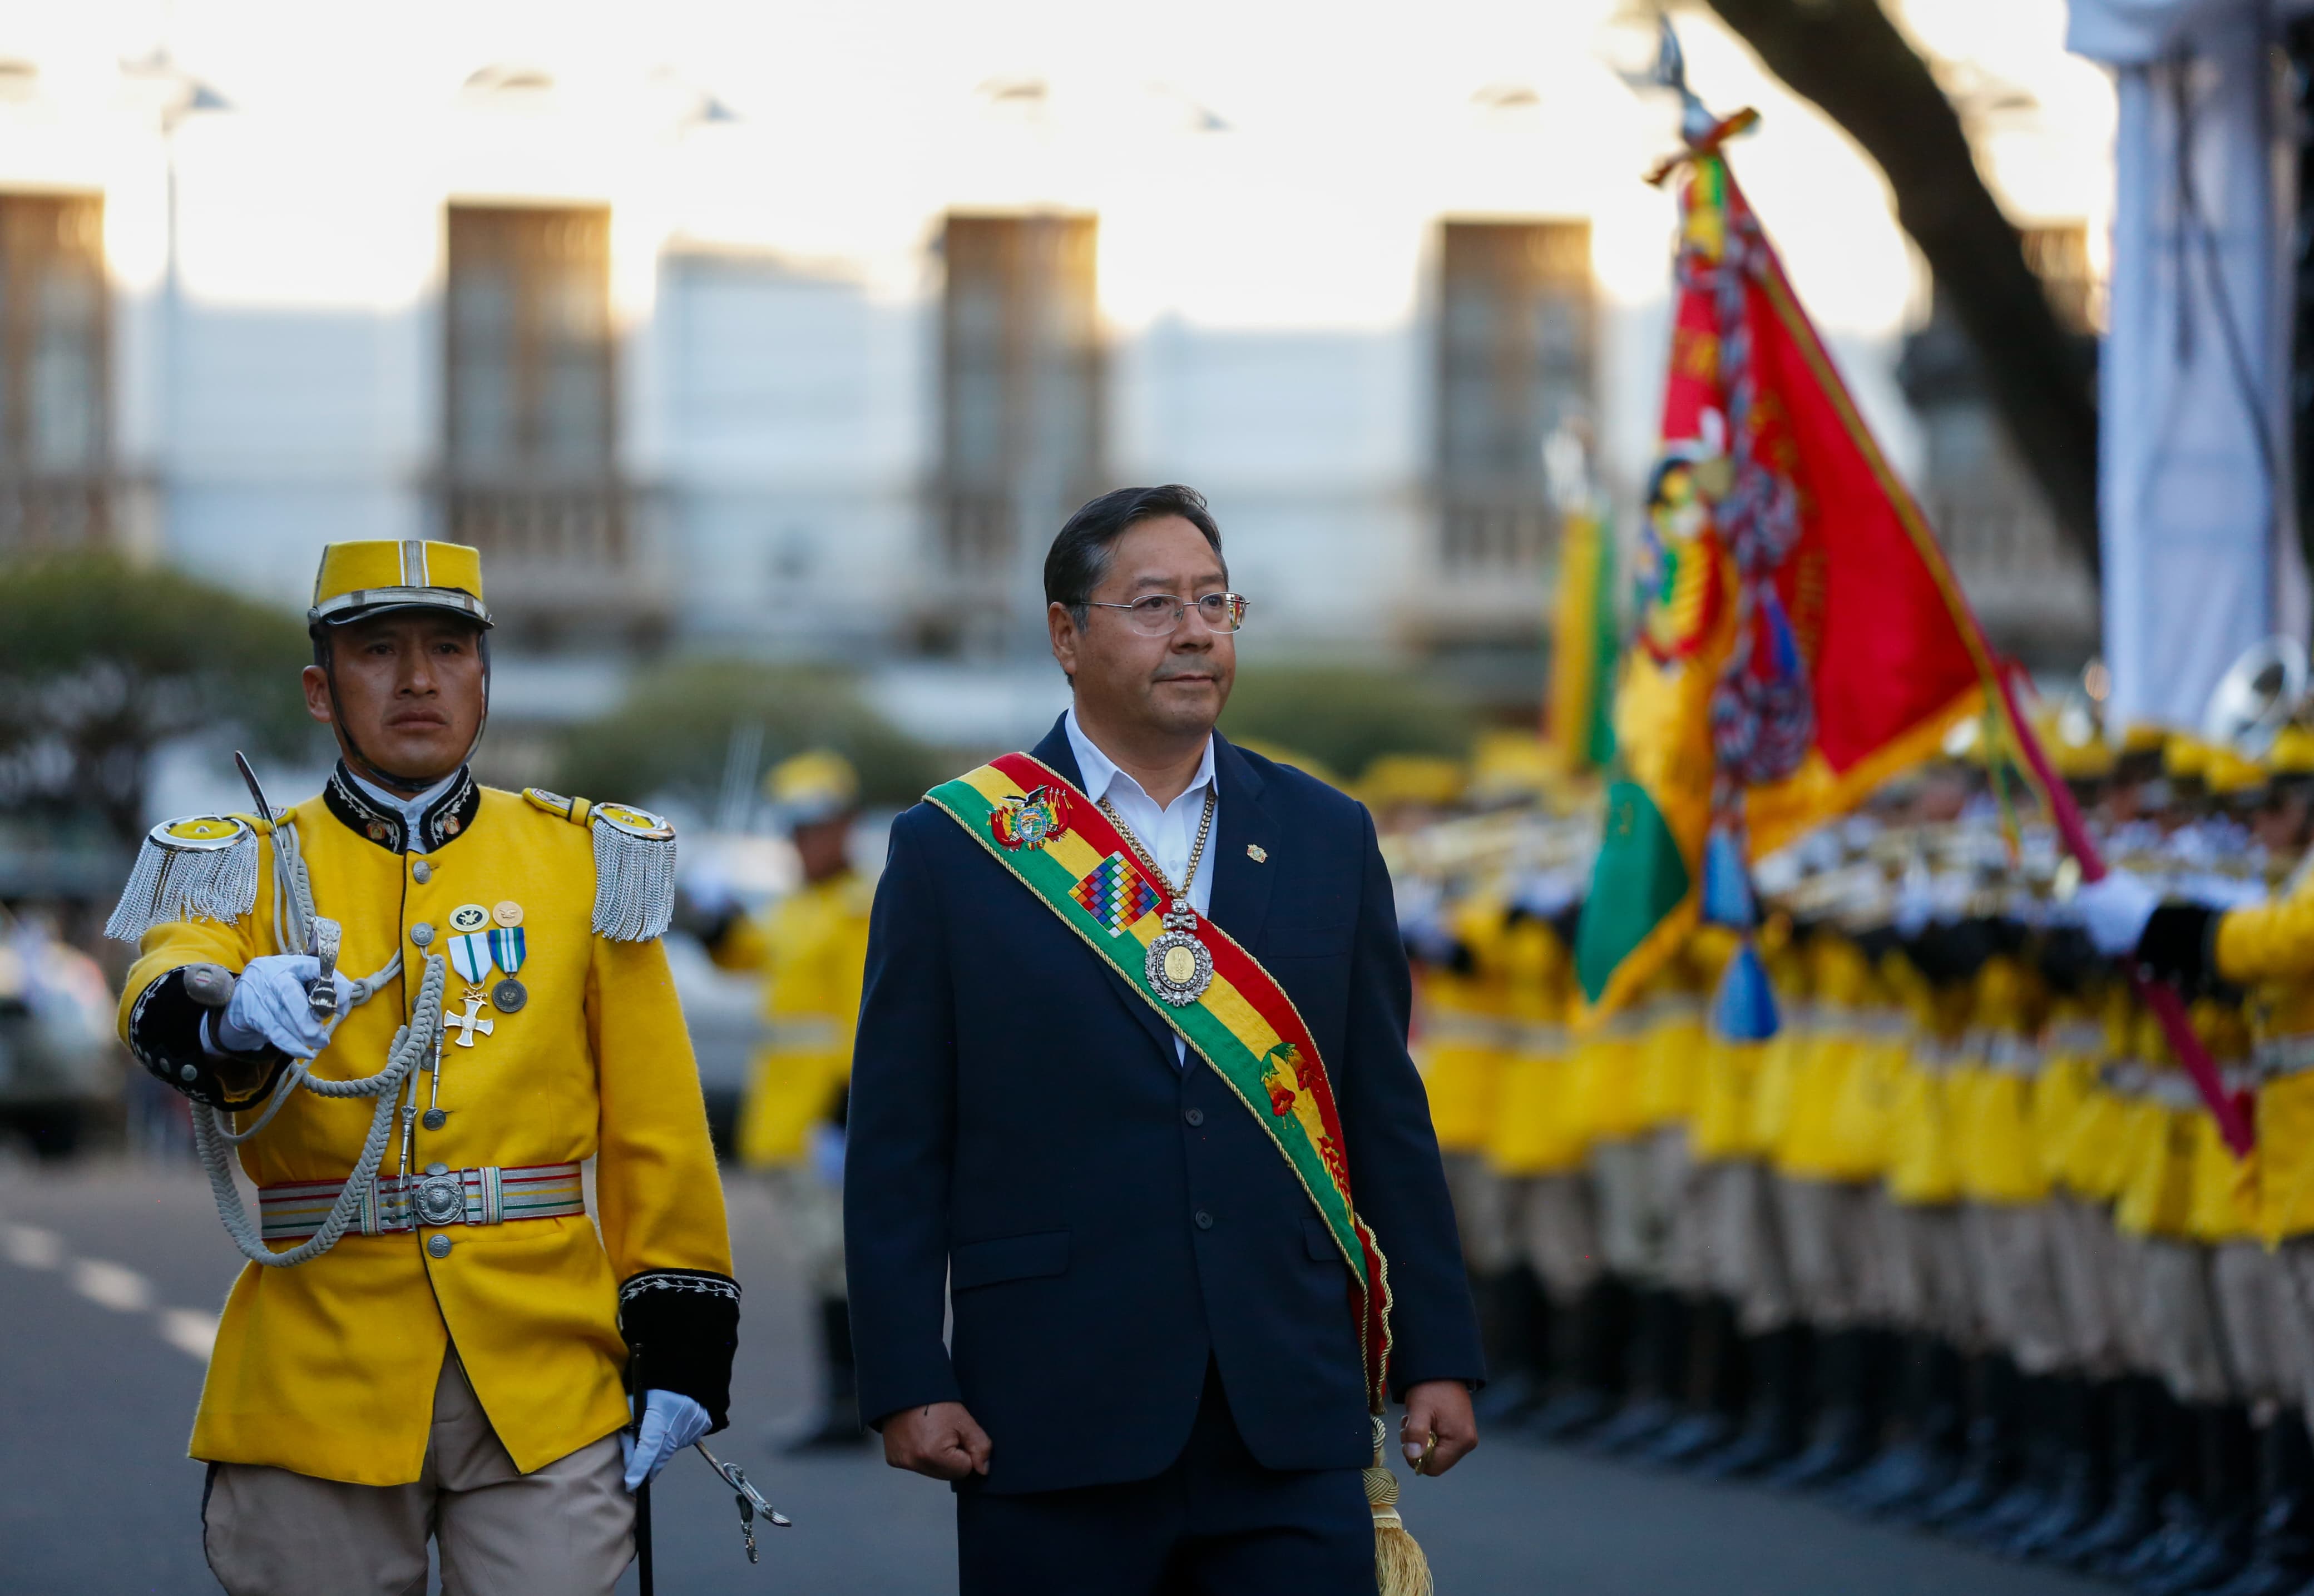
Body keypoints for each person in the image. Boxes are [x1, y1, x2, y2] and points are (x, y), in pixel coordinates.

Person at [844, 484, 1484, 1595]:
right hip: (1051, 1403)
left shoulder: (1323, 834)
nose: (1194, 631)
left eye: (1214, 602)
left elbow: (1381, 1112)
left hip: (1286, 1404)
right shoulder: (959, 846)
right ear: (1066, 634)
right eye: (1153, 604)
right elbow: (900, 1138)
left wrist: (1436, 1349)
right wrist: (906, 1374)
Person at [107, 540, 738, 1596]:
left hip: (544, 1369)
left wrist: (683, 1339)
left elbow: (657, 1123)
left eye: (448, 649)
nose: (417, 680)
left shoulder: (584, 859)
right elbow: (160, 985)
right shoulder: (243, 861)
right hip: (319, 1368)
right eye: (377, 652)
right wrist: (232, 1014)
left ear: (485, 680)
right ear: (321, 690)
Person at [703, 748, 875, 1450]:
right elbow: (745, 955)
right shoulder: (800, 906)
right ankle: (845, 1399)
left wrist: (848, 1109)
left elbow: (872, 1013)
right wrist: (712, 918)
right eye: (796, 827)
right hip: (789, 1119)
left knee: (836, 1263)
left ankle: (849, 1403)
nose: (806, 839)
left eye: (818, 825)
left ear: (846, 824)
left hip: (828, 1119)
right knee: (822, 1262)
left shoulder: (861, 906)